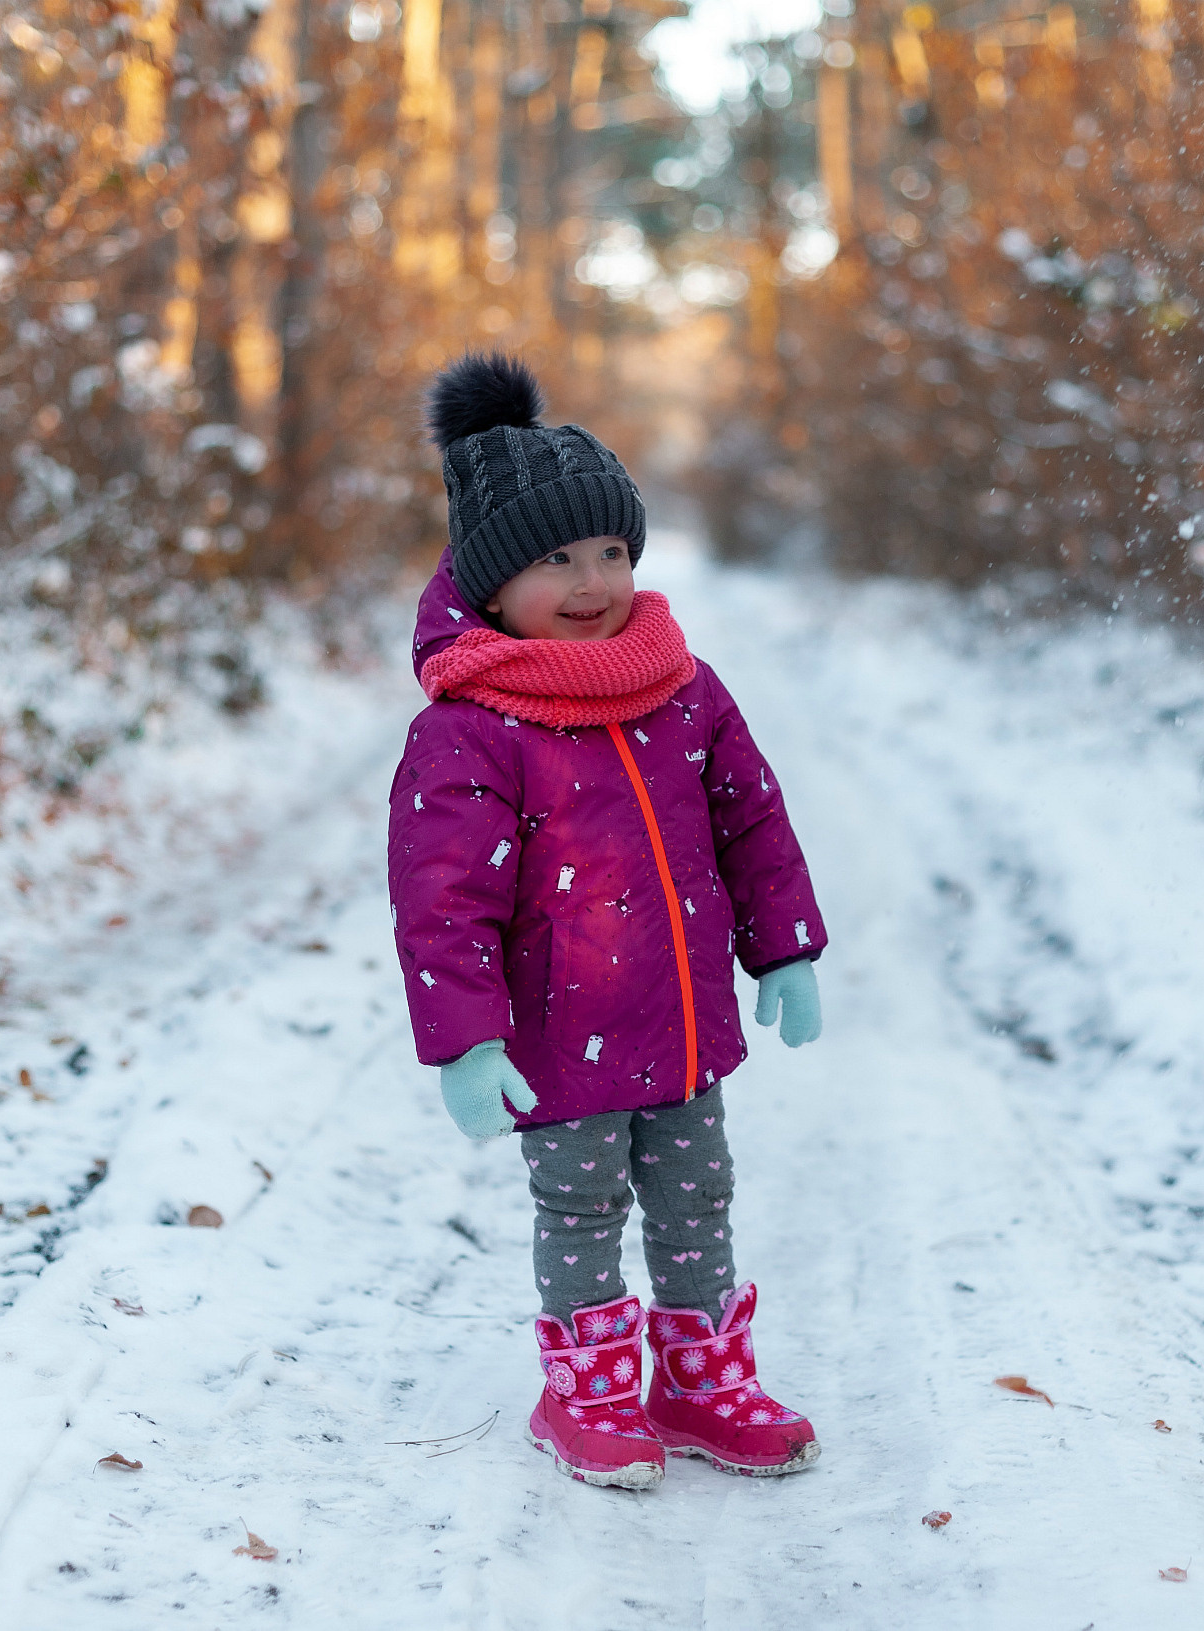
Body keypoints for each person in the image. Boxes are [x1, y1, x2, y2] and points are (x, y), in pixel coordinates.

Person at [387, 354, 828, 1489]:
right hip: (559, 1035)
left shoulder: (681, 682)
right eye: (556, 558)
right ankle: (584, 1386)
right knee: (580, 1202)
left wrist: (782, 949)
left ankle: (697, 1377)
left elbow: (752, 821)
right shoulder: (472, 728)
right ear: (491, 585)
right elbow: (444, 901)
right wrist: (464, 1039)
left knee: (697, 1195)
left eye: (612, 551)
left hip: (682, 1030)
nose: (593, 580)